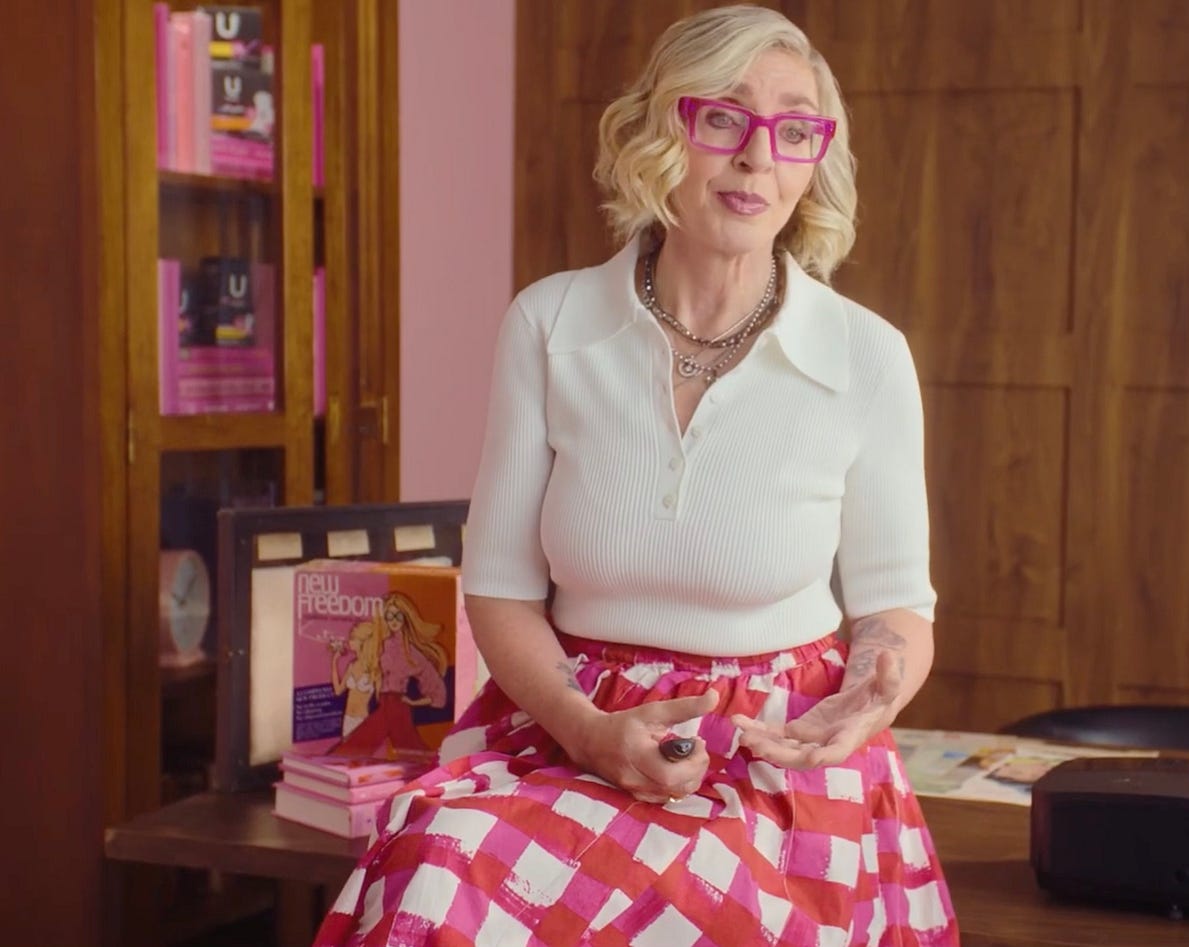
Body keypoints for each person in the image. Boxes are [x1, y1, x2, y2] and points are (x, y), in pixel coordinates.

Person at [313, 5, 958, 944]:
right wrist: (586, 728)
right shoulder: (548, 324)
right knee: (436, 869)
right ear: (661, 131)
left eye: (794, 130)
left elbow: (898, 606)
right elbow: (500, 589)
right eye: (724, 118)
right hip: (566, 730)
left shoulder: (868, 355)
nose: (758, 157)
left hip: (779, 756)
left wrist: (871, 693)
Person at [329, 591, 449, 759]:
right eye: (389, 616)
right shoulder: (380, 645)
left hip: (398, 706)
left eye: (398, 616)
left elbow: (435, 686)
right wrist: (337, 652)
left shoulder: (411, 653)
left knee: (410, 752)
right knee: (357, 747)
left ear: (405, 618)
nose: (394, 621)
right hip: (383, 705)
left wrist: (414, 702)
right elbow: (362, 650)